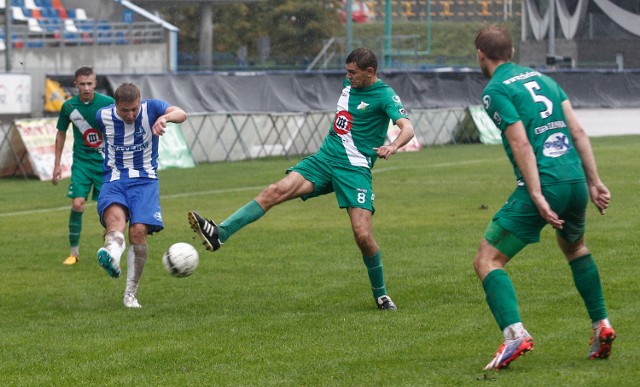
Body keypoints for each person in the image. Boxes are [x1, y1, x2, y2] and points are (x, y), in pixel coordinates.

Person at [189, 47, 415, 310]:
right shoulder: (349, 84)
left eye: (353, 73)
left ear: (370, 72)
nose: (348, 76)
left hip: (354, 170)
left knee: (362, 235)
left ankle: (381, 294)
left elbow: (407, 127)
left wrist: (393, 146)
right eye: (347, 71)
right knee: (275, 191)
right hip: (324, 160)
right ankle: (220, 233)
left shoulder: (385, 95)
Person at [473, 25, 615, 370]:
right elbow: (577, 130)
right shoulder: (546, 80)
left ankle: (514, 335)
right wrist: (595, 181)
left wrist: (535, 192)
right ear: (511, 52)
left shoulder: (495, 90)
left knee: (487, 260)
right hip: (575, 180)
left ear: (481, 54)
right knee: (575, 248)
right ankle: (602, 325)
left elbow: (521, 142)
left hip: (546, 183)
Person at [95, 83, 187, 308]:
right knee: (115, 222)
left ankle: (130, 294)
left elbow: (182, 114)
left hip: (145, 181)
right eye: (124, 110)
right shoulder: (102, 116)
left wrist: (165, 119)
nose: (130, 115)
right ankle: (112, 258)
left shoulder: (152, 108)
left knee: (137, 232)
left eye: (134, 109)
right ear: (115, 106)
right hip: (114, 179)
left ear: (140, 102)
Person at [52, 67, 114, 265]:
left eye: (90, 83)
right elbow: (60, 134)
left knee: (109, 211)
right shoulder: (69, 107)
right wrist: (57, 165)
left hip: (105, 164)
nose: (86, 88)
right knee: (77, 203)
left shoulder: (108, 104)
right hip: (81, 163)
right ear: (76, 84)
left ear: (95, 84)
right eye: (82, 84)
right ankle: (74, 253)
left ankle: (110, 248)